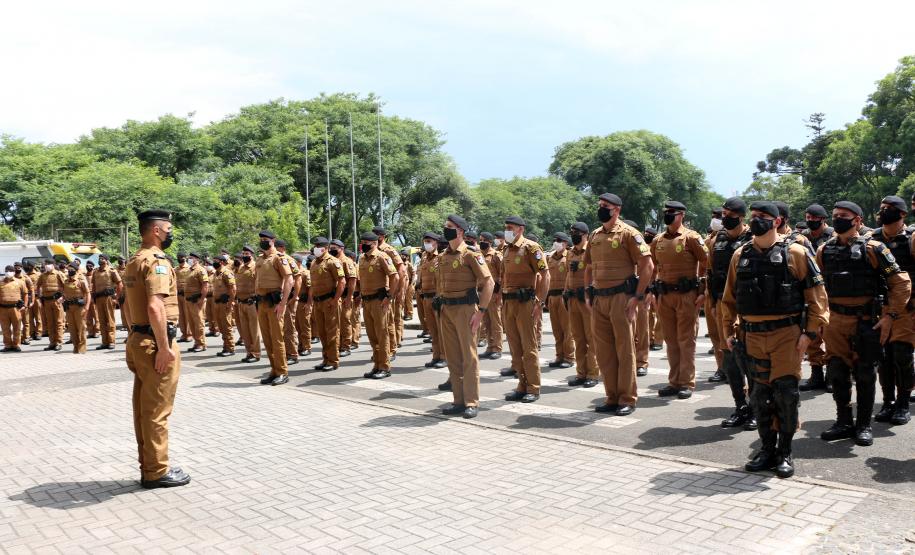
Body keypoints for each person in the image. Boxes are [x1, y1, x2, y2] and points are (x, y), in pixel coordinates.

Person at [720, 201, 829, 478]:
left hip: (786, 336)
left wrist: (810, 334)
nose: (757, 221)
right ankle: (766, 449)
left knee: (786, 395)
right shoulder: (740, 255)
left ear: (777, 221)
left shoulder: (796, 253)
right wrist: (728, 333)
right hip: (752, 336)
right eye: (754, 216)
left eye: (763, 217)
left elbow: (817, 298)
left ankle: (785, 451)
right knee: (759, 395)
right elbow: (729, 300)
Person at [818, 201, 911, 446]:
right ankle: (843, 421)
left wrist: (891, 317)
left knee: (865, 373)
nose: (838, 219)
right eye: (835, 215)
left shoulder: (875, 248)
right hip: (835, 322)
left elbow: (902, 283)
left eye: (844, 216)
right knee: (837, 372)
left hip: (866, 321)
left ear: (858, 220)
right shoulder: (824, 250)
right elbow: (816, 289)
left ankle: (863, 425)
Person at [123, 209, 189, 488]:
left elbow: (127, 304)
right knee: (157, 410)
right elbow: (155, 305)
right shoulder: (156, 261)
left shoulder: (134, 260)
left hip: (138, 340)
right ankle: (157, 471)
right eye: (168, 228)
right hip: (154, 343)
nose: (171, 233)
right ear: (156, 231)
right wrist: (164, 347)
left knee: (143, 409)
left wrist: (133, 336)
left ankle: (149, 465)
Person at [584, 193, 653, 415]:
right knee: (604, 352)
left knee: (624, 350)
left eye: (606, 206)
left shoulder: (629, 234)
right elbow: (587, 267)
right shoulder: (594, 236)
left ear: (617, 210)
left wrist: (637, 297)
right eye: (600, 205)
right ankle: (611, 397)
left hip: (621, 299)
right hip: (599, 299)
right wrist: (587, 293)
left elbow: (647, 266)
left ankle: (627, 399)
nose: (601, 208)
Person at [648, 201, 708, 399]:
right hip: (665, 296)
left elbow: (706, 262)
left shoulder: (691, 237)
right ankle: (674, 382)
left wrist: (702, 290)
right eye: (666, 212)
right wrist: (653, 292)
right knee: (671, 340)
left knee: (686, 340)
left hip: (686, 295)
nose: (667, 215)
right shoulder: (658, 240)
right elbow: (653, 268)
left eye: (671, 212)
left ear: (681, 215)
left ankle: (686, 383)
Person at [437, 215, 494, 418]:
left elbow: (489, 283)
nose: (446, 230)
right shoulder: (443, 256)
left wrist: (481, 311)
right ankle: (458, 401)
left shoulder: (470, 254)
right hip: (447, 310)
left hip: (466, 310)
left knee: (469, 357)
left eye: (450, 227)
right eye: (446, 227)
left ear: (460, 231)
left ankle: (471, 402)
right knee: (452, 357)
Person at [708, 198, 757, 430]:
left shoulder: (753, 239)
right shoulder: (718, 239)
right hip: (723, 305)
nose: (724, 217)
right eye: (723, 213)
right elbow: (711, 271)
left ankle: (757, 408)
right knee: (730, 359)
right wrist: (710, 300)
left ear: (741, 217)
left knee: (752, 361)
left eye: (730, 213)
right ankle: (741, 407)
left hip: (748, 307)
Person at [869, 196, 915, 425]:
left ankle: (903, 403)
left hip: (906, 308)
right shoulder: (872, 238)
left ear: (902, 214)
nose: (884, 211)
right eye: (882, 208)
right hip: (880, 306)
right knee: (884, 357)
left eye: (890, 209)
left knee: (902, 355)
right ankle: (888, 402)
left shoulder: (911, 239)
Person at [501, 216, 550, 403]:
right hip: (509, 302)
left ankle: (533, 387)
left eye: (510, 227)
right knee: (515, 346)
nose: (507, 230)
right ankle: (522, 385)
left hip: (525, 302)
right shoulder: (506, 249)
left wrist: (540, 302)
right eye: (505, 227)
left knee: (528, 347)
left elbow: (545, 275)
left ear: (520, 229)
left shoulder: (531, 248)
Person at [798, 204, 835, 392]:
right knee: (812, 335)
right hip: (809, 291)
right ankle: (816, 373)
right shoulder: (802, 237)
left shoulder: (833, 236)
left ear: (823, 219)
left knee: (830, 335)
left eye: (814, 218)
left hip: (829, 291)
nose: (810, 221)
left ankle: (831, 375)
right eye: (808, 217)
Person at [357, 232, 400, 379]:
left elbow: (395, 276)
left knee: (382, 334)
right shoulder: (362, 258)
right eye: (362, 242)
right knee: (372, 335)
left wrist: (389, 297)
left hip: (378, 301)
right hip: (367, 301)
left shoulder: (382, 257)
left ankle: (385, 366)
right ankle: (376, 364)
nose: (363, 245)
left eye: (366, 242)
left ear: (374, 243)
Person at [254, 231, 294, 384]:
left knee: (277, 339)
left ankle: (282, 372)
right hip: (262, 303)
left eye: (266, 239)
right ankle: (274, 370)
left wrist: (283, 304)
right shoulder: (260, 259)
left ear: (273, 241)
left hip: (274, 304)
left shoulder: (279, 258)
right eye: (261, 239)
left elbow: (289, 280)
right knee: (268, 339)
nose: (263, 241)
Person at [564, 222, 599, 387]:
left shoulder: (591, 251)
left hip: (586, 300)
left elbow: (595, 273)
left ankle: (592, 373)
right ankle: (581, 373)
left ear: (585, 234)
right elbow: (568, 276)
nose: (574, 235)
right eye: (572, 232)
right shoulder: (570, 253)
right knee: (578, 338)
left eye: (577, 232)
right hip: (572, 299)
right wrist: (565, 292)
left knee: (591, 337)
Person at [309, 237, 346, 372]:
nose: (315, 248)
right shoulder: (314, 262)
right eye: (315, 245)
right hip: (318, 302)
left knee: (332, 332)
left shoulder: (333, 262)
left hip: (329, 301)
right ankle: (325, 359)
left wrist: (335, 300)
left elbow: (342, 282)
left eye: (318, 246)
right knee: (322, 333)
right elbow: (313, 284)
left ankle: (333, 360)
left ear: (325, 247)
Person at [373, 227, 408, 355]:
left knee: (389, 320)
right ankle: (383, 350)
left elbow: (401, 270)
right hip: (377, 291)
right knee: (381, 323)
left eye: (375, 235)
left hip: (388, 290)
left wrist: (399, 290)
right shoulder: (373, 251)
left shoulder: (388, 250)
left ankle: (392, 348)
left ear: (381, 236)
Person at [417, 232, 446, 371]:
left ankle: (444, 356)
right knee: (432, 330)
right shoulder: (424, 257)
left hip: (436, 298)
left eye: (429, 241)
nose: (426, 243)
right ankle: (436, 356)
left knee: (441, 330)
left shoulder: (440, 258)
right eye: (425, 241)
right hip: (426, 297)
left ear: (436, 243)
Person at [546, 232, 575, 369]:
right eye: (555, 240)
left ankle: (569, 357)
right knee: (556, 328)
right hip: (552, 296)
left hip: (564, 296)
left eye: (558, 241)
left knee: (567, 328)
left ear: (565, 243)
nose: (555, 243)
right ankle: (559, 356)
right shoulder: (550, 257)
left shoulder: (569, 255)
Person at [275, 239, 301, 364]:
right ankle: (285, 353)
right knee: (281, 328)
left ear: (281, 248)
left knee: (289, 328)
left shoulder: (288, 260)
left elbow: (297, 279)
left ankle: (292, 354)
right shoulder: (275, 259)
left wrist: (294, 296)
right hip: (278, 299)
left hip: (288, 299)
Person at [478, 232, 503, 360]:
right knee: (486, 321)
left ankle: (497, 348)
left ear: (489, 241)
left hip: (494, 294)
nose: (480, 242)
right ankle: (490, 347)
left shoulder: (496, 255)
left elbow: (502, 275)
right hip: (482, 293)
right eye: (480, 239)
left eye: (483, 240)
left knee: (495, 321)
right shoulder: (479, 255)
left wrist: (499, 293)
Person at [90, 254, 122, 350]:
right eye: (99, 258)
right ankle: (104, 342)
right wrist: (93, 297)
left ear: (107, 260)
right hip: (99, 298)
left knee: (110, 320)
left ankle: (111, 341)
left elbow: (119, 284)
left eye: (102, 258)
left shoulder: (111, 271)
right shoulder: (95, 272)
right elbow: (93, 285)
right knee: (102, 320)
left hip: (108, 297)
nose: (100, 260)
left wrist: (116, 298)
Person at [235, 246, 261, 363]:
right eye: (243, 253)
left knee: (253, 330)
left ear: (252, 254)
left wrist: (256, 298)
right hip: (241, 302)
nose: (245, 255)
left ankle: (255, 353)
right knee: (244, 330)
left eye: (247, 253)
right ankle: (248, 352)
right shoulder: (240, 268)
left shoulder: (255, 267)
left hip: (251, 302)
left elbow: (259, 283)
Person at [332, 239, 357, 358]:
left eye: (334, 247)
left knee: (345, 321)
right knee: (336, 323)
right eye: (330, 247)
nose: (331, 249)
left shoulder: (346, 261)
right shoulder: (333, 261)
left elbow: (352, 281)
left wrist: (349, 297)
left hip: (345, 296)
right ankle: (338, 345)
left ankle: (346, 346)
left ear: (341, 248)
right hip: (335, 297)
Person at [36, 259, 65, 351]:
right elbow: (38, 286)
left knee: (59, 322)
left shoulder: (58, 274)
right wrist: (39, 297)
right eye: (46, 264)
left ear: (53, 265)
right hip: (47, 301)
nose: (47, 266)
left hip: (56, 301)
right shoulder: (43, 275)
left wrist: (63, 297)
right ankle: (52, 342)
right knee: (50, 323)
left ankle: (59, 342)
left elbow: (66, 286)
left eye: (49, 264)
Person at [183, 253, 209, 352]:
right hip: (188, 300)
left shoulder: (201, 270)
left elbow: (205, 285)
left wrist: (201, 299)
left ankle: (201, 344)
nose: (189, 259)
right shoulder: (189, 270)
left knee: (199, 323)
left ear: (196, 259)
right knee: (192, 322)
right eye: (189, 258)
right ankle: (196, 342)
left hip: (196, 301)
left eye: (191, 258)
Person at [211, 255, 236, 357]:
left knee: (227, 326)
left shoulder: (227, 273)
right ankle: (225, 346)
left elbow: (233, 289)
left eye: (216, 261)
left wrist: (230, 304)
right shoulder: (216, 274)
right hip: (217, 303)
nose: (214, 263)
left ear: (221, 262)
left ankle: (230, 348)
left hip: (225, 304)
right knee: (221, 326)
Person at [62, 262, 90, 354]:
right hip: (69, 307)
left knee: (81, 328)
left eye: (71, 269)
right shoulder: (66, 281)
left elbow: (87, 293)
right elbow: (64, 293)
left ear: (75, 269)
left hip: (79, 307)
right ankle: (75, 347)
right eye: (68, 269)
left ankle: (82, 349)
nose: (69, 271)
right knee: (72, 328)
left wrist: (86, 307)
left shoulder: (81, 280)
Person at [0, 265, 28, 352]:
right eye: (7, 270)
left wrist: (25, 305)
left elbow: (25, 294)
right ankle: (8, 345)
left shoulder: (20, 282)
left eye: (10, 270)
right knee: (5, 328)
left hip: (16, 309)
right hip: (3, 309)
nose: (8, 272)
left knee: (17, 327)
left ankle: (16, 344)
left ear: (13, 272)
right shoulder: (0, 282)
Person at [175, 253, 191, 343]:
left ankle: (189, 334)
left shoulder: (189, 268)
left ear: (186, 258)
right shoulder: (176, 269)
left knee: (187, 314)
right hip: (179, 294)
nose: (180, 259)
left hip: (186, 294)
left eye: (182, 257)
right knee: (181, 315)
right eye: (179, 257)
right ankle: (183, 333)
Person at [84, 261, 99, 339]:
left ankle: (97, 331)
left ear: (93, 266)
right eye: (87, 266)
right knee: (88, 317)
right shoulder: (84, 276)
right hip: (86, 299)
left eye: (90, 266)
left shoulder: (96, 275)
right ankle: (90, 332)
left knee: (96, 316)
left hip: (94, 297)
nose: (88, 267)